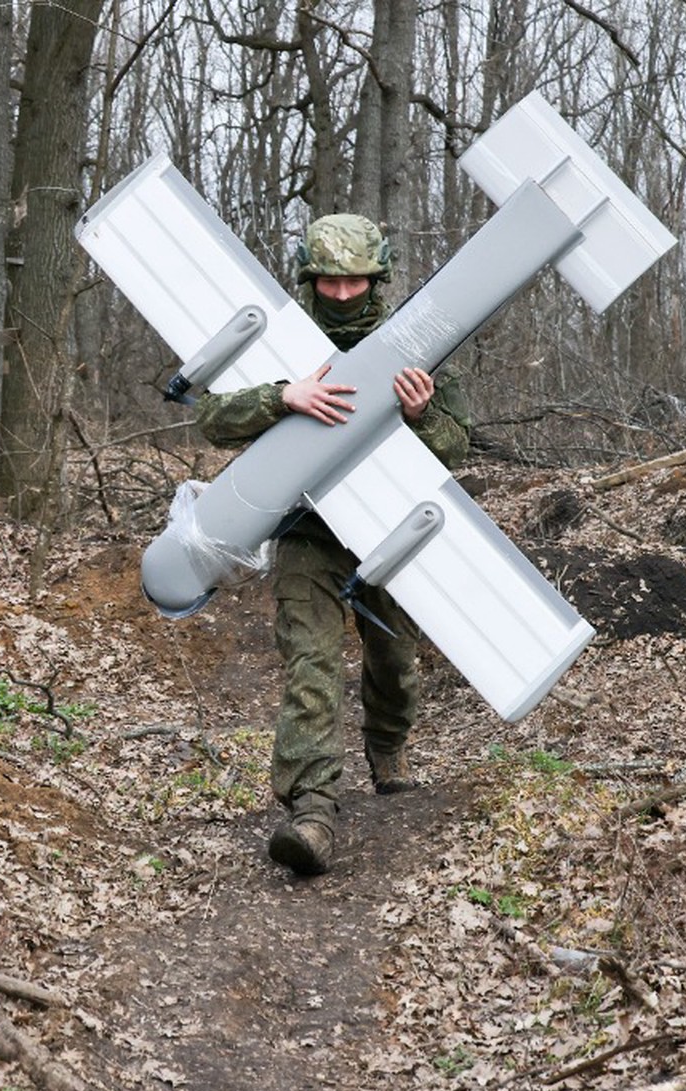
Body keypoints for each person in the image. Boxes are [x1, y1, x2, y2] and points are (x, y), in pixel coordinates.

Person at [195, 213, 471, 877]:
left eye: (354, 281)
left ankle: (387, 745)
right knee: (310, 667)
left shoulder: (415, 344)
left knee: (395, 656)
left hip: (388, 525)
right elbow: (212, 419)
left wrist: (419, 415)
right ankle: (312, 810)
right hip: (306, 530)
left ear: (374, 278)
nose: (341, 294)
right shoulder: (285, 342)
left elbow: (455, 448)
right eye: (329, 281)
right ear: (309, 278)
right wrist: (280, 396)